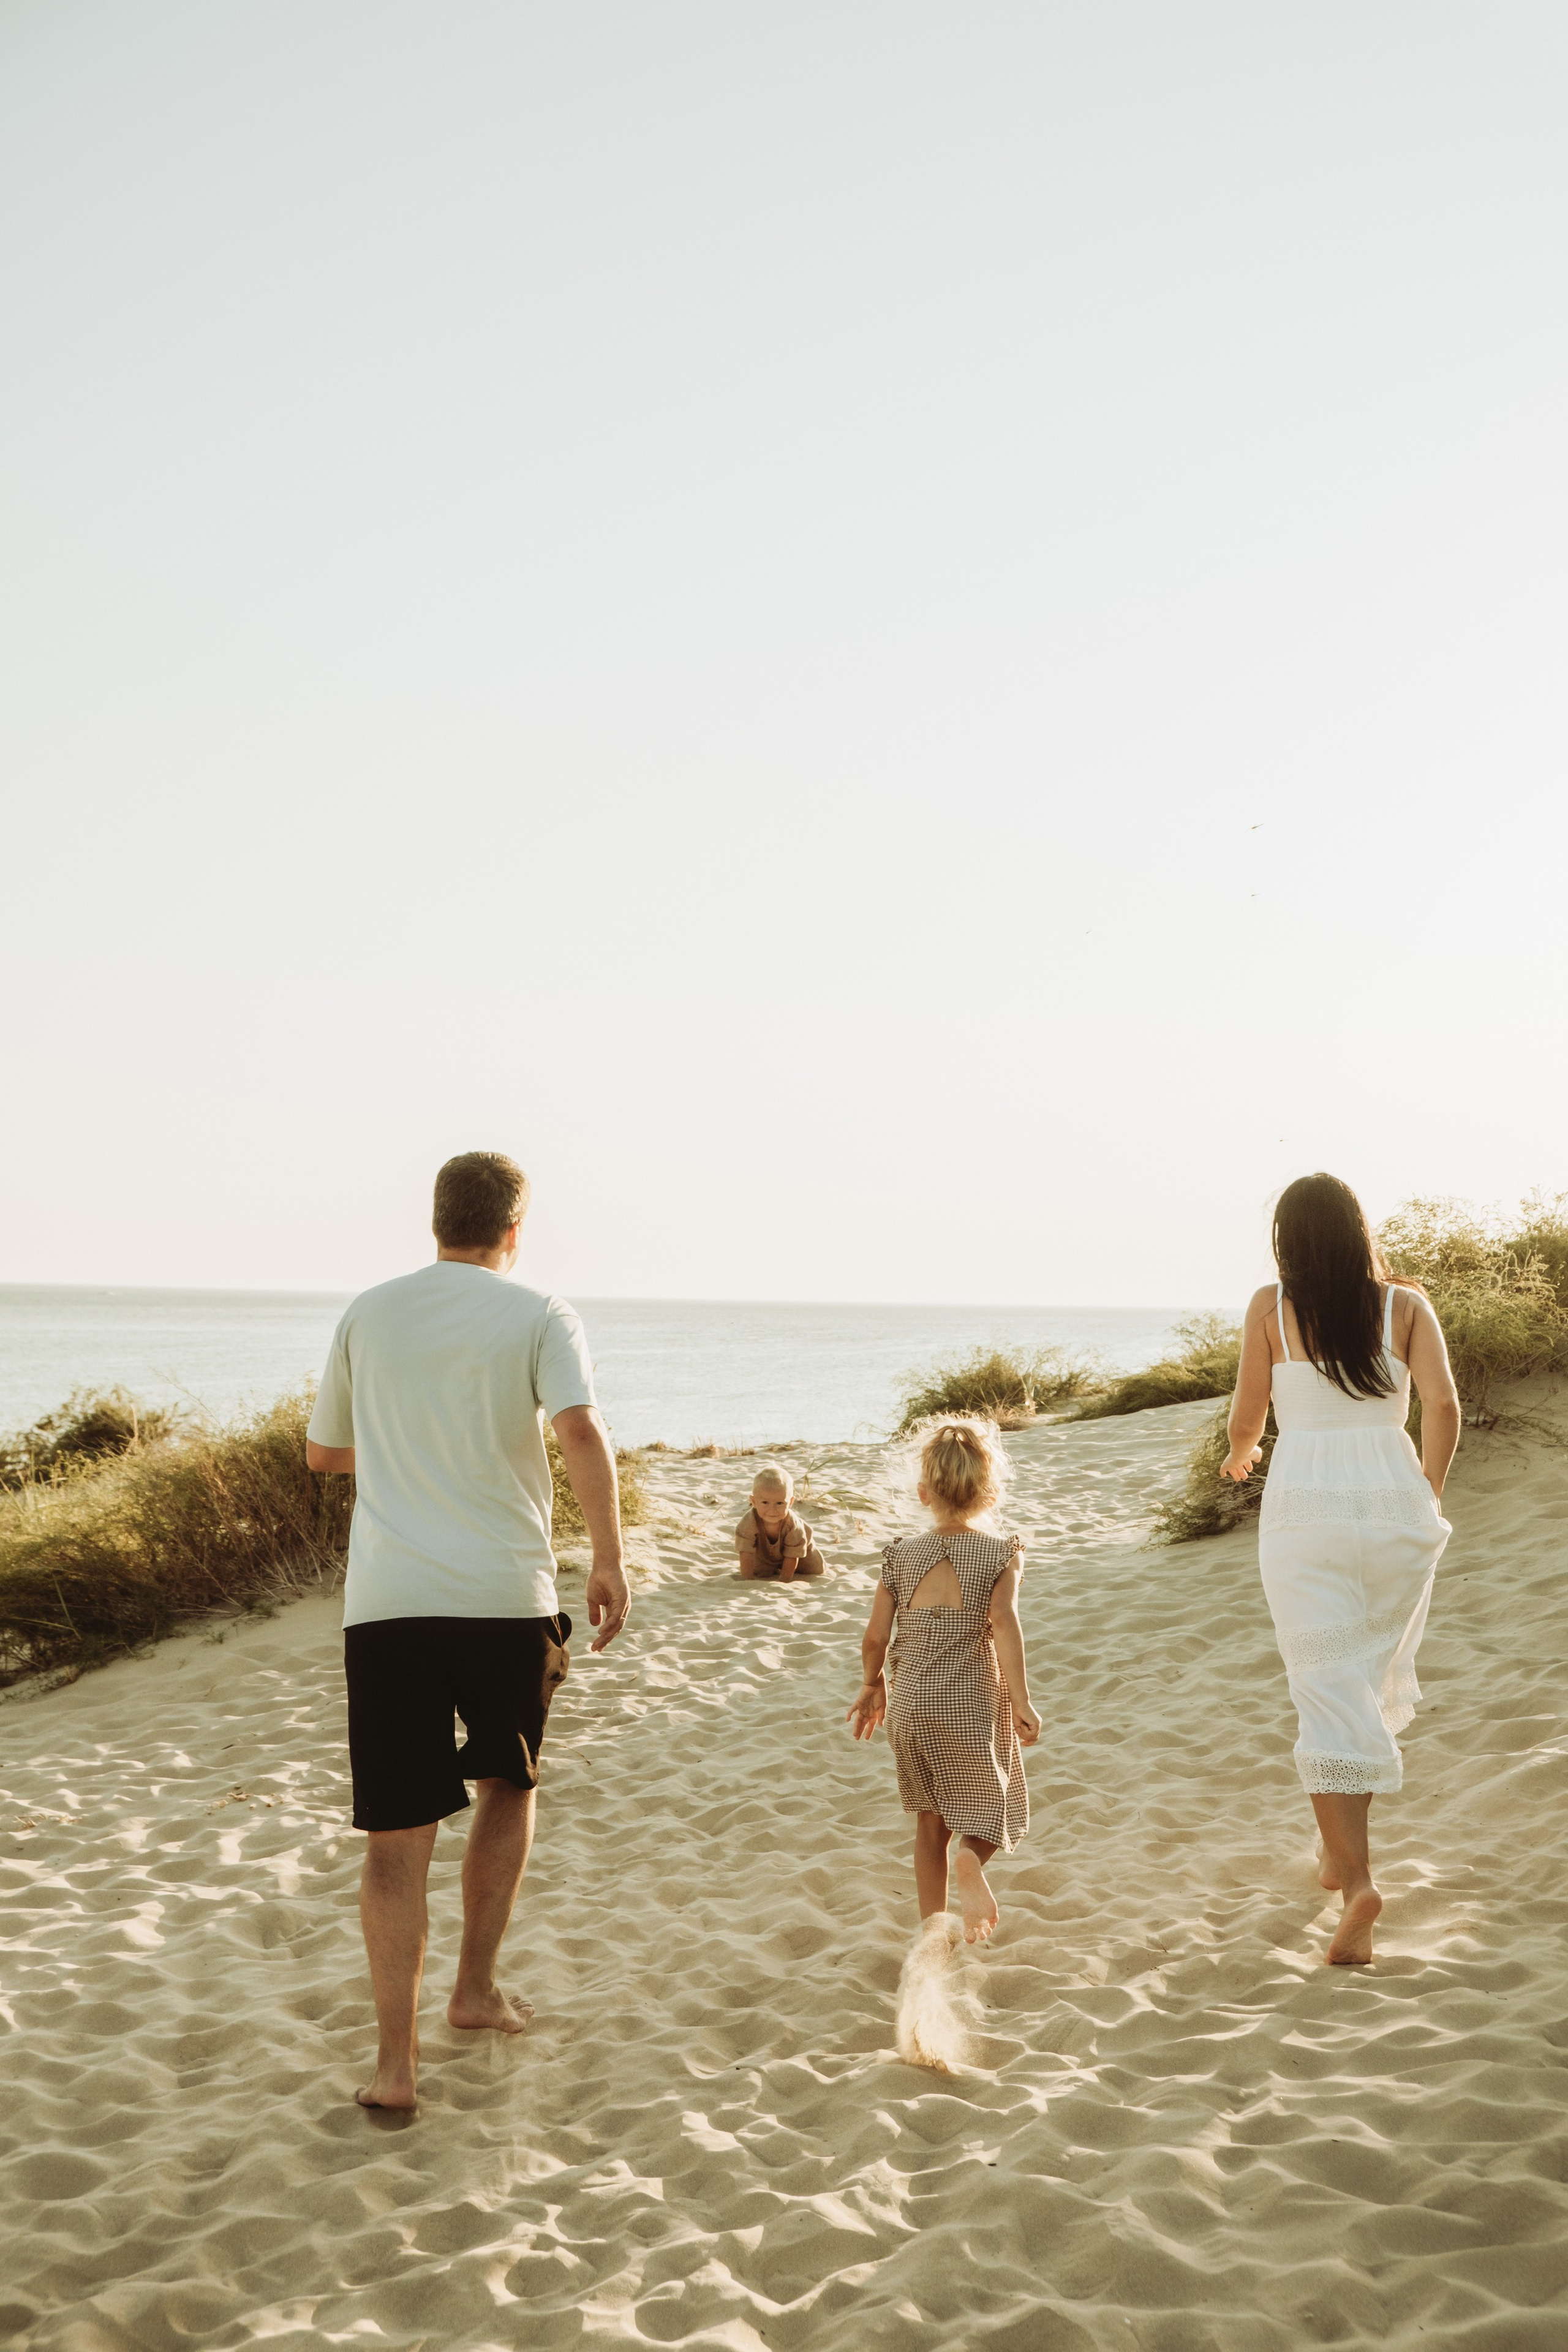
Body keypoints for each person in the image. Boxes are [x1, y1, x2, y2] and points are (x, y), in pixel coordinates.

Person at [306, 1150, 631, 2109]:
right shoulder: (539, 1312)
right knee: (506, 1783)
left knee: (397, 1835)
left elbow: (324, 1452)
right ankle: (475, 1989)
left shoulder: (369, 1311)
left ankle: (394, 2068)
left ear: (437, 1220)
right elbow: (578, 1430)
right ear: (515, 1230)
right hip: (503, 1594)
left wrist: (413, 1432)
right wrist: (609, 1555)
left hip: (391, 1603)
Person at [1223, 1172, 1460, 1966]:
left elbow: (1250, 1409)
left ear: (1288, 1238)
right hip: (1391, 1505)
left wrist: (1241, 1450)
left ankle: (1357, 1880)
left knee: (1323, 1686)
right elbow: (1444, 1407)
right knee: (1353, 1679)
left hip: (1307, 1512)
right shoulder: (1406, 1306)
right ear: (1359, 1232)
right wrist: (1424, 1490)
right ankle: (1336, 1856)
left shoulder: (1271, 1307)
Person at [846, 1417, 1041, 1943]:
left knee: (929, 1821)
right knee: (995, 1803)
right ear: (991, 1491)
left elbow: (873, 1638)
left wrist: (872, 1685)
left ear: (923, 1493)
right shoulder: (1002, 1552)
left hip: (909, 1705)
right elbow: (1003, 1622)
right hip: (971, 1702)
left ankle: (933, 1929)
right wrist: (1020, 1699)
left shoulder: (900, 1555)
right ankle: (972, 1864)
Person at [734, 1463, 825, 1580]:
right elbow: (745, 1551)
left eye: (780, 1503)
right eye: (765, 1503)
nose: (773, 1510)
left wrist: (784, 1580)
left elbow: (793, 1556)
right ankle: (774, 1566)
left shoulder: (793, 1525)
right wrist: (748, 1579)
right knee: (758, 1570)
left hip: (800, 1551)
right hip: (765, 1553)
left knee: (816, 1569)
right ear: (754, 1501)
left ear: (791, 1503)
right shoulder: (748, 1522)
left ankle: (788, 1567)